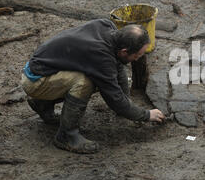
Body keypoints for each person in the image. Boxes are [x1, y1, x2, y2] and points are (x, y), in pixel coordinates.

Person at [21, 19, 165, 154]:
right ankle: (66, 136)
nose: (138, 59)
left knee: (92, 75)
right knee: (85, 83)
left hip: (45, 67)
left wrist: (126, 100)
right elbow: (114, 99)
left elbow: (118, 68)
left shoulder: (108, 26)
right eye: (137, 55)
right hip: (36, 81)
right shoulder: (101, 57)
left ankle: (42, 104)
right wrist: (146, 115)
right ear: (124, 51)